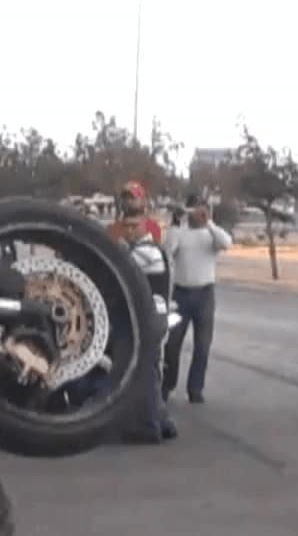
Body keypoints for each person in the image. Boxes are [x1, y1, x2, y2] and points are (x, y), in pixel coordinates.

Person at [108, 181, 177, 444]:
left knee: (142, 373)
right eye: (126, 226)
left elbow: (121, 272)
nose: (129, 230)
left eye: (134, 226)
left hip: (148, 320)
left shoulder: (146, 252)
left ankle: (148, 427)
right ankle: (162, 421)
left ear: (144, 226)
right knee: (151, 371)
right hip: (152, 318)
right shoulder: (144, 249)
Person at [163, 194, 231, 405]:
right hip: (180, 295)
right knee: (172, 344)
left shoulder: (211, 235)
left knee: (202, 345)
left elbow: (226, 243)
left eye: (201, 209)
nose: (197, 213)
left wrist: (208, 222)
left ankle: (195, 389)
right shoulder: (181, 232)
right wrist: (175, 222)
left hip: (204, 295)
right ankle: (167, 385)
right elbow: (167, 251)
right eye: (194, 209)